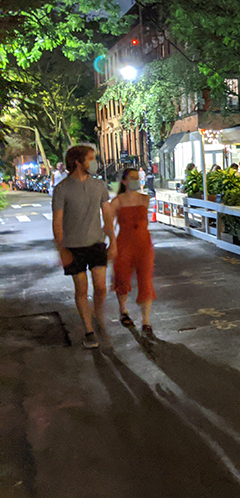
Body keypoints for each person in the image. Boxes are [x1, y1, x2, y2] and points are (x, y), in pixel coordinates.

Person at [52, 145, 116, 349]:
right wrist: (62, 249)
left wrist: (113, 240)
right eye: (90, 158)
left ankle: (97, 317)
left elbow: (107, 214)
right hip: (73, 247)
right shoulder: (61, 189)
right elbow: (57, 222)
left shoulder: (99, 186)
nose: (94, 162)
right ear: (78, 162)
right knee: (81, 288)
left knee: (100, 287)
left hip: (96, 243)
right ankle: (88, 329)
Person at [110, 168, 156, 339]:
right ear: (124, 181)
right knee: (122, 277)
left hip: (143, 244)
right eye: (132, 178)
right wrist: (112, 245)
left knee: (145, 280)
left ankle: (146, 321)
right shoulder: (117, 202)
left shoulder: (145, 199)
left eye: (138, 178)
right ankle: (123, 310)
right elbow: (110, 226)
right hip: (124, 244)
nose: (136, 181)